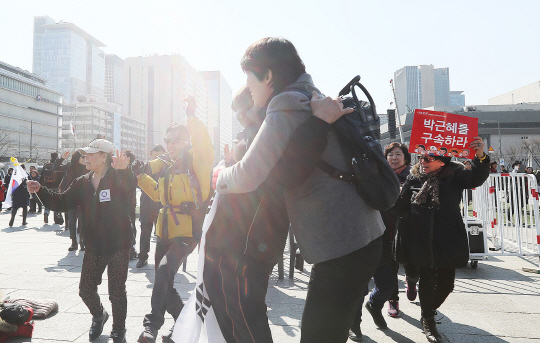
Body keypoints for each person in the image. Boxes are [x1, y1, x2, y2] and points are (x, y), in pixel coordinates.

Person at [214, 37, 385, 343]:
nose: (249, 87)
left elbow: (250, 174)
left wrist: (218, 176)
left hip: (341, 245)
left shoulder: (286, 102)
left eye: (250, 78)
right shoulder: (310, 93)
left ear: (267, 75)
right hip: (362, 235)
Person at [27, 140, 136, 343]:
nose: (85, 157)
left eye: (90, 153)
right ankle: (99, 315)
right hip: (94, 244)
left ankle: (119, 330)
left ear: (104, 156)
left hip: (118, 243)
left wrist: (126, 170)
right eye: (84, 153)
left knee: (117, 291)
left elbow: (131, 187)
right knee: (85, 289)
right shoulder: (82, 181)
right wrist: (40, 189)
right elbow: (61, 202)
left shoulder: (118, 176)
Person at [134, 97, 214, 343]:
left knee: (164, 271)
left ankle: (151, 326)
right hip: (164, 229)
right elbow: (159, 195)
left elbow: (205, 145)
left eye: (176, 140)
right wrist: (139, 176)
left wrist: (191, 116)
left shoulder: (196, 161)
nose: (170, 144)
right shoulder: (168, 167)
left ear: (187, 140)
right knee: (164, 280)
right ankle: (183, 325)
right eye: (168, 140)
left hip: (187, 230)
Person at [397, 136, 489, 343]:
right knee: (428, 279)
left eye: (429, 159)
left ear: (442, 161)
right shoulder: (414, 177)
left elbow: (477, 177)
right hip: (420, 237)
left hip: (447, 236)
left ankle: (428, 309)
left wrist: (480, 155)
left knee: (447, 285)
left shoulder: (455, 175)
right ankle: (428, 320)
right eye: (422, 157)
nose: (423, 162)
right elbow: (401, 205)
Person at [349, 142, 418, 341]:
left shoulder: (409, 180)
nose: (394, 158)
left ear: (406, 157)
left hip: (387, 239)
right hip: (364, 237)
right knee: (359, 287)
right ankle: (354, 324)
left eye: (398, 154)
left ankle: (375, 305)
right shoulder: (372, 176)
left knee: (387, 284)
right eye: (390, 154)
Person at [137, 144, 166, 269]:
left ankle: (163, 260)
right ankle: (142, 257)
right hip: (147, 204)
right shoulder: (144, 167)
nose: (157, 160)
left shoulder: (167, 168)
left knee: (162, 234)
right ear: (150, 154)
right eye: (156, 156)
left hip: (161, 205)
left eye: (160, 157)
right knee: (145, 232)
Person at [57, 151, 88, 251]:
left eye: (85, 157)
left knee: (83, 221)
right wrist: (62, 158)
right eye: (82, 157)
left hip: (84, 197)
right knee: (71, 221)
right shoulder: (70, 167)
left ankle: (82, 242)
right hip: (71, 197)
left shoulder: (88, 167)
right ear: (77, 158)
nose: (84, 159)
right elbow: (55, 168)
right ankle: (74, 242)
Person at [124, 150, 139, 260]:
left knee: (131, 225)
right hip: (119, 203)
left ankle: (132, 247)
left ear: (128, 159)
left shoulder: (132, 170)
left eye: (124, 156)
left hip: (130, 203)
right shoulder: (116, 169)